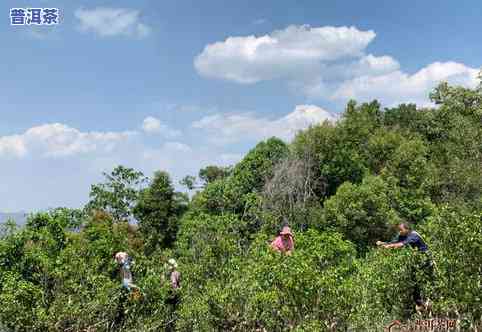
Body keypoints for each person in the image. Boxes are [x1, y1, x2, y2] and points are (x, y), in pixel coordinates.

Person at [376, 223, 433, 313]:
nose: (399, 232)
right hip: (417, 261)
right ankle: (420, 305)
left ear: (407, 229)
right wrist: (383, 243)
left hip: (425, 260)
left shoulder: (414, 235)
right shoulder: (402, 235)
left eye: (401, 230)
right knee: (414, 282)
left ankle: (424, 304)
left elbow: (401, 244)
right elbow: (394, 242)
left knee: (419, 282)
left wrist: (388, 247)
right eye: (399, 230)